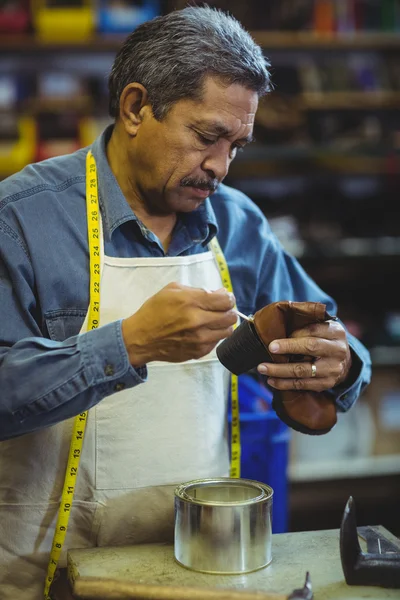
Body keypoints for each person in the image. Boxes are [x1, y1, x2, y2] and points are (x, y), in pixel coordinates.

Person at [0, 6, 371, 599]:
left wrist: (341, 363)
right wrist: (127, 345)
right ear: (135, 108)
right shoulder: (21, 220)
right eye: (206, 137)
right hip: (41, 576)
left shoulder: (238, 223)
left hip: (196, 569)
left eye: (238, 145)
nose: (220, 167)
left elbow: (340, 341)